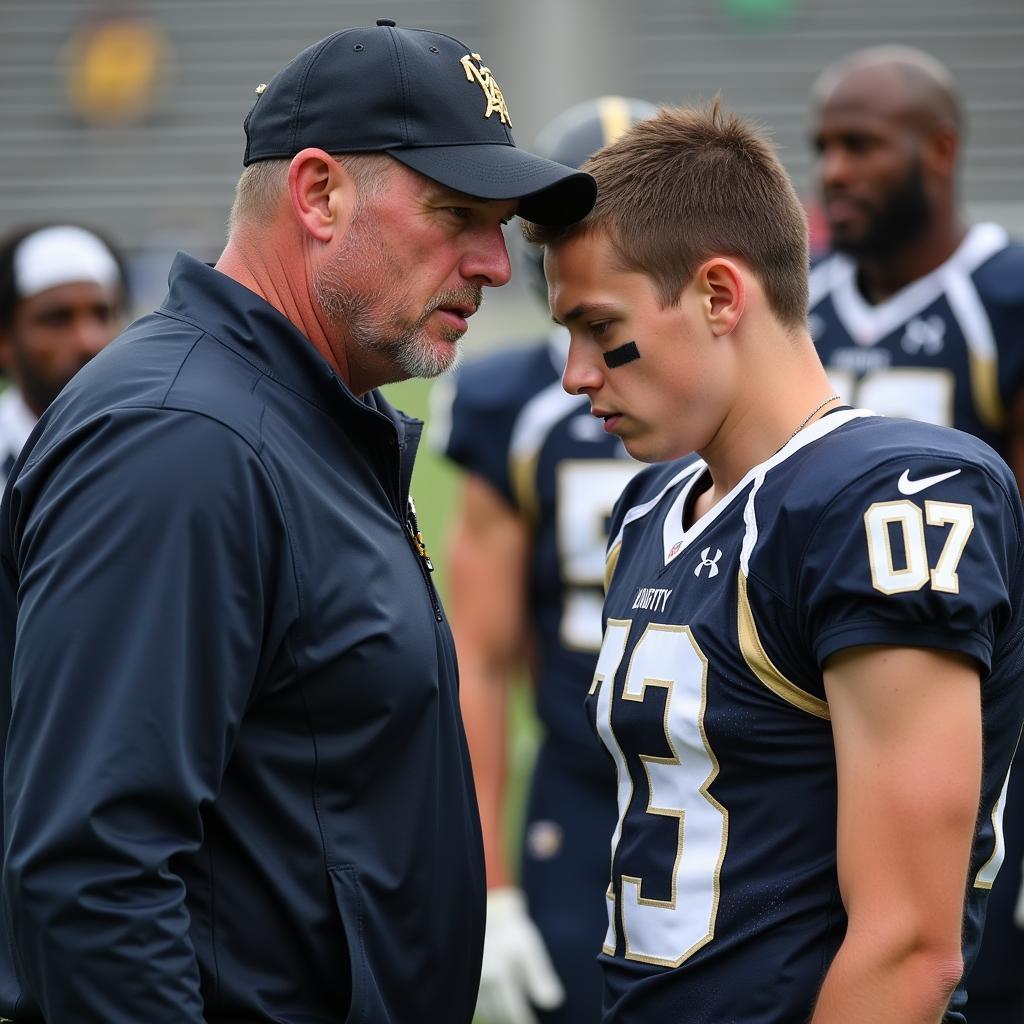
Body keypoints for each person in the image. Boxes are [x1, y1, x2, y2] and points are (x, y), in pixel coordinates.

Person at [0, 20, 595, 1024]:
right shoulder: (181, 438)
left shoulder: (299, 410)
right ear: (318, 194)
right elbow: (95, 868)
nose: (495, 265)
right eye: (456, 213)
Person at [523, 101, 1024, 1023]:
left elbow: (910, 947)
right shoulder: (655, 508)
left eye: (599, 326)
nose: (577, 375)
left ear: (720, 294)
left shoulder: (891, 494)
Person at [808, 46, 1024, 1024]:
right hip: (814, 673)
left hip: (965, 682)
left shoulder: (1002, 298)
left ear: (939, 149)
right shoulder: (795, 297)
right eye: (822, 148)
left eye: (862, 145)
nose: (835, 171)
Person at [434, 96, 655, 1024]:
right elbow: (477, 659)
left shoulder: (755, 392)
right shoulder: (515, 407)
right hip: (583, 787)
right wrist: (491, 883)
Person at [0, 222, 128, 485]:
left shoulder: (160, 445)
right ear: (5, 340)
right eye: (57, 319)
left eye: (102, 314)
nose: (89, 342)